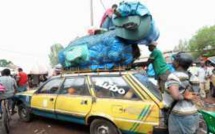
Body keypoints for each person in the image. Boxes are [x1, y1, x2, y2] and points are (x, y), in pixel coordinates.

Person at [163, 52, 199, 134]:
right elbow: (195, 95)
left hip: (179, 115)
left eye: (174, 60)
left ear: (177, 63)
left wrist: (183, 96)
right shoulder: (194, 77)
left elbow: (176, 96)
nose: (172, 62)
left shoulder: (173, 76)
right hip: (193, 113)